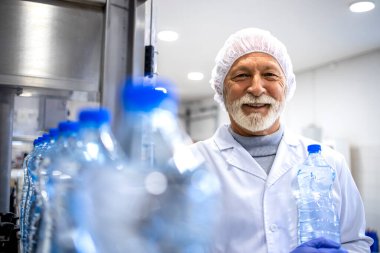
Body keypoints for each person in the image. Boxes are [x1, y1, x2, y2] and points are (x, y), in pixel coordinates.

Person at [189, 28, 373, 252]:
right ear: (221, 87)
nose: (256, 88)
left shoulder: (331, 161)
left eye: (270, 74)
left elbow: (356, 243)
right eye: (241, 75)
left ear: (286, 87)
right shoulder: (189, 165)